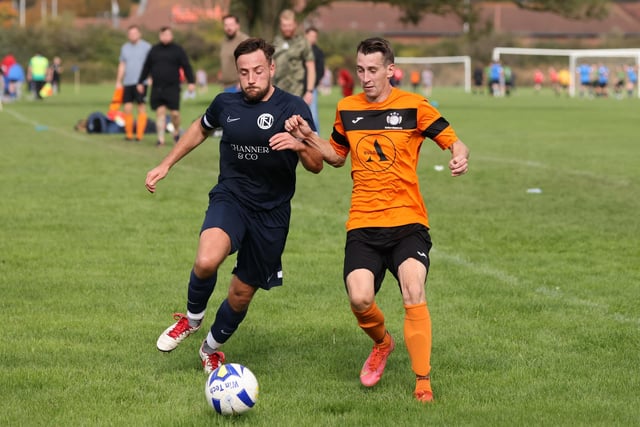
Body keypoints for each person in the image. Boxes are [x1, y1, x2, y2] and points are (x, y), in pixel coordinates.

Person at [284, 37, 469, 403]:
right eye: (360, 70)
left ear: (390, 70)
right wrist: (307, 138)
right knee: (359, 298)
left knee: (414, 291)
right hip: (363, 224)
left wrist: (459, 156)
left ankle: (423, 382)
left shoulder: (415, 106)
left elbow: (454, 141)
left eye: (372, 70)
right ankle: (382, 343)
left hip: (408, 222)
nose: (365, 77)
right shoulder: (347, 108)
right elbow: (336, 156)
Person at [147, 38, 323, 374]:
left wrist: (300, 146)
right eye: (244, 73)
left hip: (272, 212)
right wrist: (166, 163)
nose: (251, 78)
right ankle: (192, 319)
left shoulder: (294, 108)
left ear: (271, 68)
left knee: (241, 295)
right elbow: (200, 127)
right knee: (206, 259)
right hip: (232, 197)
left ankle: (210, 348)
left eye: (258, 71)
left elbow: (317, 165)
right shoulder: (225, 103)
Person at [137, 26, 195, 146]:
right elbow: (146, 67)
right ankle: (160, 139)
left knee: (175, 114)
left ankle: (176, 132)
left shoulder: (178, 50)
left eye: (168, 35)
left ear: (171, 36)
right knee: (160, 112)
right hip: (158, 87)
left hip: (172, 87)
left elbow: (186, 66)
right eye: (163, 35)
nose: (165, 37)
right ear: (160, 36)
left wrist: (191, 82)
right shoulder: (154, 50)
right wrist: (140, 81)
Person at [116, 25, 152, 142]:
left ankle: (139, 135)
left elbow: (151, 64)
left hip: (141, 83)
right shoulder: (125, 48)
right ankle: (129, 134)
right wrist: (118, 81)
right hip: (128, 82)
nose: (133, 35)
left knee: (141, 107)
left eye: (135, 33)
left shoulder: (147, 47)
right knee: (127, 108)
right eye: (130, 33)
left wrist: (150, 78)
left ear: (139, 34)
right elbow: (122, 65)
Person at [273, 9, 315, 106]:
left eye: (289, 25)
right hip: (278, 90)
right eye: (284, 26)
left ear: (295, 24)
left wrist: (309, 91)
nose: (287, 28)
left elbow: (311, 66)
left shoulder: (303, 42)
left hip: (297, 91)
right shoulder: (275, 42)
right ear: (280, 26)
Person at [219, 14, 249, 93]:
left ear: (237, 25)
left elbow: (250, 63)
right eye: (226, 25)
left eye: (231, 25)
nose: (228, 28)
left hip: (239, 86)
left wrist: (243, 81)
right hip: (226, 86)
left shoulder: (244, 41)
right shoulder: (224, 41)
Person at [304, 26, 325, 133]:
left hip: (312, 89)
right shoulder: (300, 50)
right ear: (305, 35)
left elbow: (320, 71)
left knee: (313, 115)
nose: (312, 38)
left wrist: (311, 86)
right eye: (310, 35)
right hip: (298, 87)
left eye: (314, 36)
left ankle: (316, 139)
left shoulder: (318, 52)